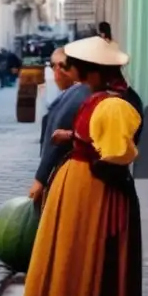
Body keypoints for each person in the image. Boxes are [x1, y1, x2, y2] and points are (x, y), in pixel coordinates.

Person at [22, 36, 143, 296]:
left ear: (92, 72)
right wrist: (75, 136)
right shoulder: (99, 96)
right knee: (81, 253)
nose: (69, 70)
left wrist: (81, 145)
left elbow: (116, 148)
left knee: (96, 253)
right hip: (85, 183)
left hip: (97, 188)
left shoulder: (113, 102)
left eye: (76, 67)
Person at [32, 49, 91, 197]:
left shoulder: (80, 94)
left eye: (55, 66)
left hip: (70, 174)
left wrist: (40, 179)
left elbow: (57, 138)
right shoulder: (75, 92)